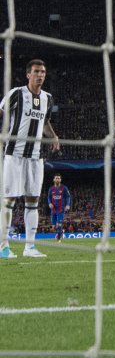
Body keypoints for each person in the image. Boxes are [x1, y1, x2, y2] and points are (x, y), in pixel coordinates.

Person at [1, 59, 61, 259]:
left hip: (36, 157)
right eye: (36, 71)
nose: (40, 75)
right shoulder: (17, 93)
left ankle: (30, 247)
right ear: (28, 75)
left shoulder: (47, 98)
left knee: (33, 199)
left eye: (43, 72)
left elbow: (45, 122)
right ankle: (3, 246)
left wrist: (53, 136)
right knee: (9, 200)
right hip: (14, 154)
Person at [47, 173, 72, 242]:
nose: (57, 179)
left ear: (60, 180)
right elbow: (48, 197)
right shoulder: (51, 189)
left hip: (61, 209)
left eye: (58, 178)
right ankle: (60, 232)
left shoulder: (64, 188)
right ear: (54, 179)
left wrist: (68, 205)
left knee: (59, 224)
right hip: (53, 210)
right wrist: (49, 203)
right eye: (56, 178)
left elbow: (68, 197)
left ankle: (59, 239)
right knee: (53, 227)